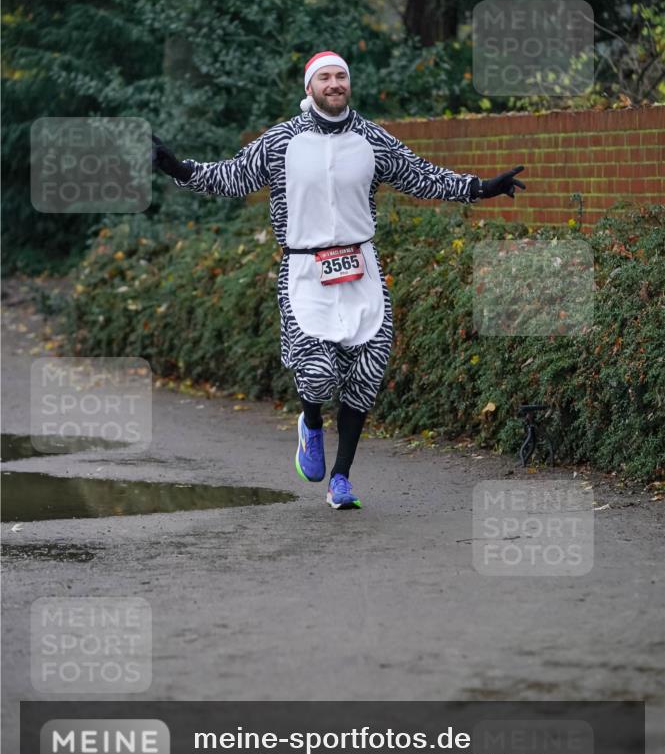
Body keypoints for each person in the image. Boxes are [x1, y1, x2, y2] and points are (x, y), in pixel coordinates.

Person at [153, 50, 525, 510]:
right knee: (318, 373)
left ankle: (341, 478)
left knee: (366, 373)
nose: (335, 84)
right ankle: (310, 424)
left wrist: (482, 187)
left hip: (360, 268)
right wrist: (177, 168)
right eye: (325, 77)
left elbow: (422, 176)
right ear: (309, 88)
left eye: (341, 76)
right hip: (304, 270)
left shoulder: (372, 139)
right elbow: (232, 177)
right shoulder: (281, 141)